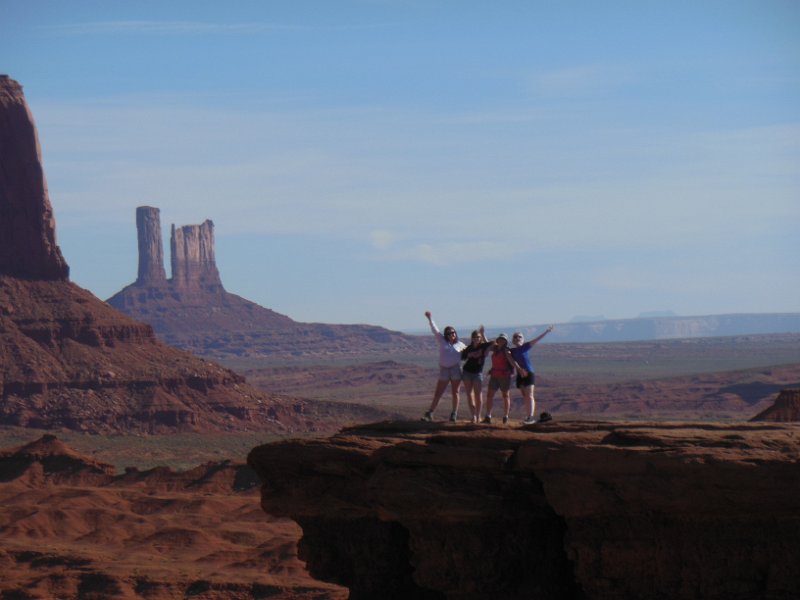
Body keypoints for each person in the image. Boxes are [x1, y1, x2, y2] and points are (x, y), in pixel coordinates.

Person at [421, 311, 466, 422]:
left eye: (453, 333)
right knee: (439, 392)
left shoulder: (460, 345)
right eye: (449, 333)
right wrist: (430, 318)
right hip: (444, 370)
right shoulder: (442, 341)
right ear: (446, 335)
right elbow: (435, 330)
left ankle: (454, 414)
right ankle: (430, 413)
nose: (452, 335)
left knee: (455, 392)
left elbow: (472, 353)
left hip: (455, 369)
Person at [510, 326, 554, 424]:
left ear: (523, 339)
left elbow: (537, 339)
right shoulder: (511, 351)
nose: (517, 338)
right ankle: (528, 416)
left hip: (529, 373)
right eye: (515, 337)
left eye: (520, 337)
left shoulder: (526, 346)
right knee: (524, 396)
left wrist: (546, 331)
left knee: (529, 395)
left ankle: (530, 417)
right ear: (513, 340)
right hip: (520, 374)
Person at [482, 334, 523, 425]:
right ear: (498, 340)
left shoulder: (506, 350)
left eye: (503, 339)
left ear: (506, 341)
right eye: (500, 339)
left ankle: (505, 416)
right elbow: (487, 343)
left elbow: (511, 360)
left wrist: (519, 369)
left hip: (504, 376)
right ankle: (488, 416)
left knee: (505, 396)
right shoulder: (495, 348)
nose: (501, 340)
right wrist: (482, 333)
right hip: (494, 375)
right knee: (489, 395)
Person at [460, 326, 494, 423]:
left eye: (478, 337)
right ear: (472, 338)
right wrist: (469, 355)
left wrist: (483, 334)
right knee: (469, 395)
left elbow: (492, 344)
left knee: (478, 395)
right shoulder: (468, 348)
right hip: (467, 372)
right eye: (475, 337)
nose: (476, 339)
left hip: (477, 374)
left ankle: (478, 416)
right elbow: (462, 357)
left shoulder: (483, 346)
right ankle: (473, 416)